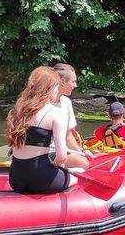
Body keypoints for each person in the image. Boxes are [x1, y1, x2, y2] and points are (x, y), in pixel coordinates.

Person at [7, 66, 77, 194]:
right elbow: (61, 157)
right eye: (56, 86)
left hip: (16, 179)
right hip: (41, 180)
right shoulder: (56, 113)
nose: (57, 90)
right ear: (49, 88)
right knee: (78, 175)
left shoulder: (18, 111)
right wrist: (56, 165)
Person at [53, 63, 91, 169]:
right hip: (46, 153)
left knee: (84, 160)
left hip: (58, 152)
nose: (76, 85)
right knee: (83, 163)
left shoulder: (66, 103)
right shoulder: (43, 102)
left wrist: (81, 152)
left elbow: (68, 136)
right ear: (63, 82)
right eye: (73, 82)